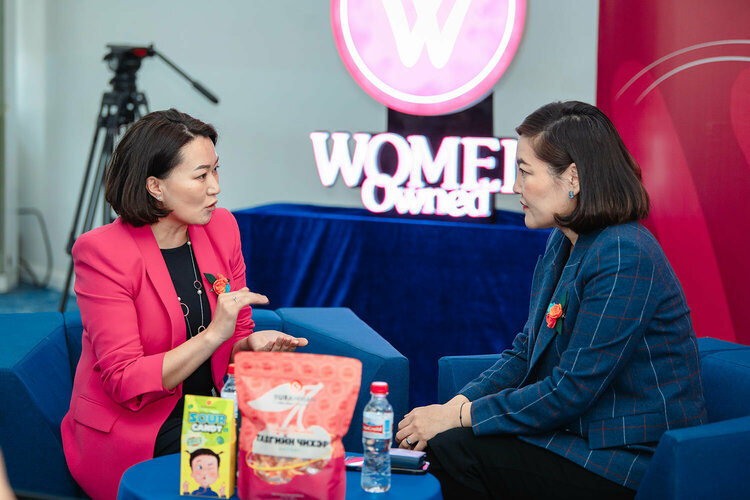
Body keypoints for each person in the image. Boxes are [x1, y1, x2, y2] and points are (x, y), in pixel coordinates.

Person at [395, 101, 706, 499]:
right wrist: (453, 407)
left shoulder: (624, 253)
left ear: (572, 176)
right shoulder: (564, 241)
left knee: (454, 451)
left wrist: (458, 416)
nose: (514, 187)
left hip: (629, 456)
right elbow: (526, 352)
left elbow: (571, 390)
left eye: (525, 171)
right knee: (437, 443)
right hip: (578, 436)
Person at [61, 109, 308, 500]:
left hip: (210, 412)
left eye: (216, 171)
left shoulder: (222, 227)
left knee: (298, 458)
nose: (216, 188)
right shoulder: (103, 252)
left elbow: (236, 335)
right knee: (235, 477)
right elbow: (125, 380)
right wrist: (214, 335)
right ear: (155, 186)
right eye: (201, 175)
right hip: (138, 427)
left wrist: (250, 345)